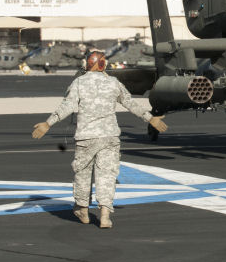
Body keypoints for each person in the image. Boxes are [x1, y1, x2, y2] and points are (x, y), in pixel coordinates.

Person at [31, 50, 167, 228]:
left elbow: (67, 106)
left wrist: (48, 123)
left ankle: (83, 209)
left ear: (86, 64)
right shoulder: (113, 83)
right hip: (109, 137)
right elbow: (130, 103)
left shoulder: (79, 82)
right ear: (104, 65)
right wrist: (150, 118)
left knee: (83, 174)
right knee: (107, 176)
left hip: (86, 138)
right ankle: (104, 215)